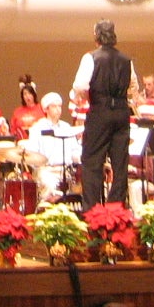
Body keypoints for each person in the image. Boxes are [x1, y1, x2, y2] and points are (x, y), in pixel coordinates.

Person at [72, 18, 138, 208]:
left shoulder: (91, 57)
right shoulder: (127, 60)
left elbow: (80, 85)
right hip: (121, 112)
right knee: (120, 163)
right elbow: (133, 86)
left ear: (96, 36)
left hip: (100, 110)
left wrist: (85, 96)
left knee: (92, 162)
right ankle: (115, 208)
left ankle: (93, 212)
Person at [23, 91, 81, 204]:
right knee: (50, 184)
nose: (58, 109)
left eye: (59, 106)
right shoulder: (37, 128)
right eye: (54, 106)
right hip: (46, 170)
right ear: (46, 109)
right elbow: (32, 155)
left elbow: (75, 151)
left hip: (66, 170)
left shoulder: (66, 127)